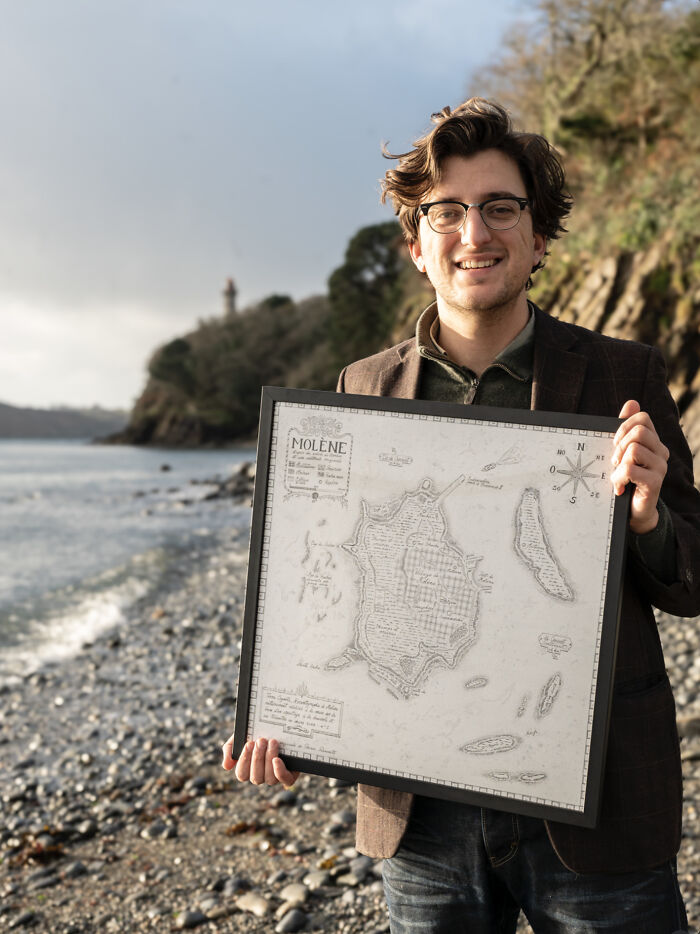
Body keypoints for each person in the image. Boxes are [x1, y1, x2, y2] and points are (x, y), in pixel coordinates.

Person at [223, 98, 700, 932]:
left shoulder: (625, 375)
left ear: (540, 236)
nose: (473, 232)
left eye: (500, 208)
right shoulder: (358, 390)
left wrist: (650, 522)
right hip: (421, 814)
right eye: (447, 211)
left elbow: (694, 581)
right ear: (416, 244)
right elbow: (320, 577)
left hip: (597, 804)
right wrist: (285, 721)